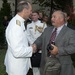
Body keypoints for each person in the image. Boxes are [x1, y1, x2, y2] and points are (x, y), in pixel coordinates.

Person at [33, 10, 75, 75]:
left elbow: (73, 48)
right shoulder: (47, 29)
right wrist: (35, 45)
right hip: (46, 66)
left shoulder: (70, 32)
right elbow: (40, 39)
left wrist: (58, 50)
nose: (52, 19)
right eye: (52, 17)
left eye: (54, 17)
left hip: (62, 67)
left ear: (61, 19)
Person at [4, 1, 36, 75]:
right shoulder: (16, 26)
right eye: (30, 10)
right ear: (25, 10)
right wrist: (32, 49)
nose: (31, 13)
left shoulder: (19, 22)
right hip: (17, 68)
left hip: (17, 65)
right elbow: (17, 51)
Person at [27, 11, 47, 75]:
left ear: (38, 16)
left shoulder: (43, 24)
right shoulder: (29, 25)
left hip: (41, 47)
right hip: (33, 47)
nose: (33, 16)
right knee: (34, 66)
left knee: (42, 65)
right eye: (32, 15)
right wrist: (33, 44)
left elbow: (45, 35)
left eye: (35, 15)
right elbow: (27, 35)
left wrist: (40, 44)